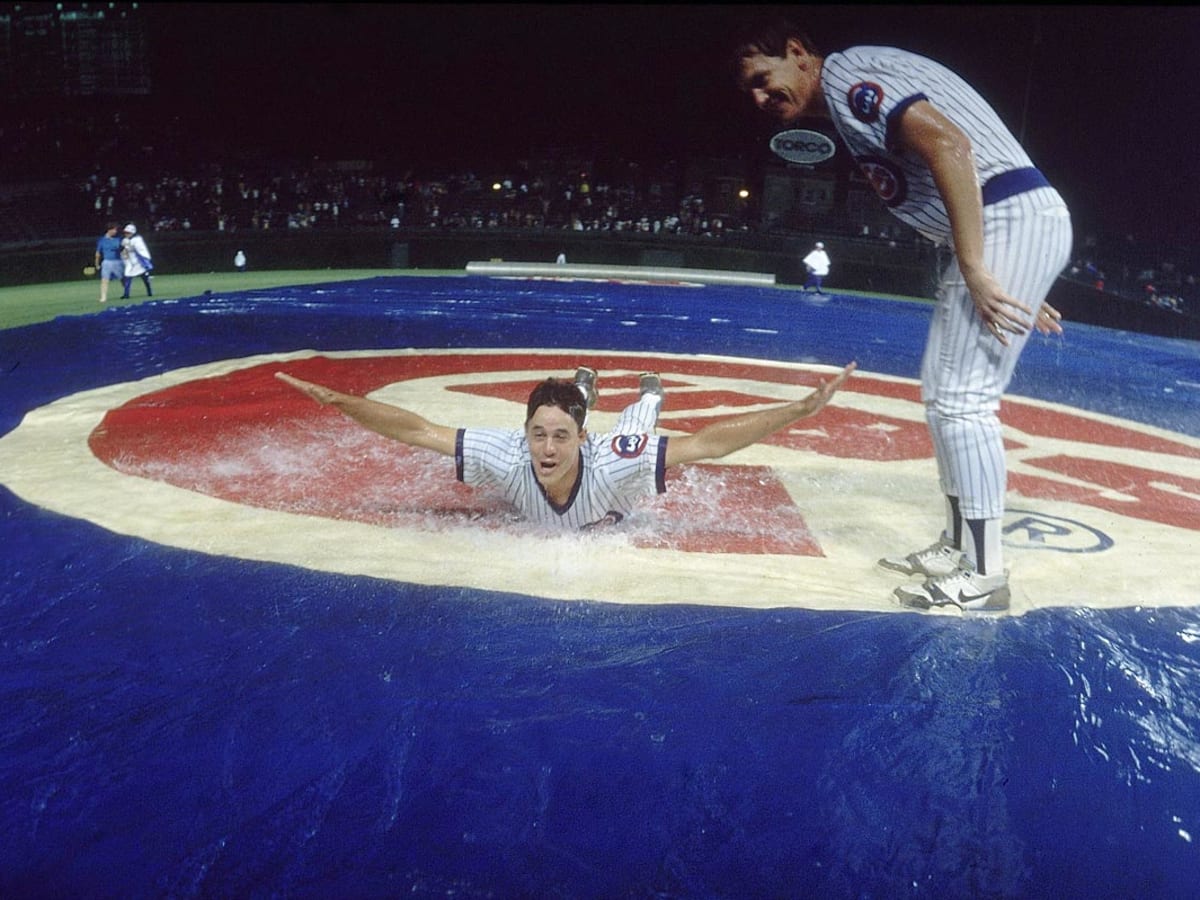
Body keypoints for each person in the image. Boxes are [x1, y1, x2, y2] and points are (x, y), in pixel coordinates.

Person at [732, 19, 1073, 612]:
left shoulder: (845, 79)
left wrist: (976, 263)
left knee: (965, 399)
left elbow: (950, 145)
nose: (761, 98)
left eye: (764, 78)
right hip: (1004, 227)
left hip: (1005, 219)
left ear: (797, 53)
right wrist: (1014, 265)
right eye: (751, 92)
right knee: (943, 394)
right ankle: (959, 545)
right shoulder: (845, 89)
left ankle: (987, 574)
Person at [275, 361, 855, 531]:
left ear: (582, 439)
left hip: (617, 476)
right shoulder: (506, 452)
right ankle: (581, 389)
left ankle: (648, 391)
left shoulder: (612, 460)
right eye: (538, 434)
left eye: (560, 436)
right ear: (523, 434)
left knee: (642, 421)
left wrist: (800, 409)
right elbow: (415, 430)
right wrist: (336, 399)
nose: (547, 448)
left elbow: (706, 444)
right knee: (567, 405)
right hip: (583, 441)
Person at [119, 223, 153, 299]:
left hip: (139, 262)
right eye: (125, 232)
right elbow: (124, 249)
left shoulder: (138, 239)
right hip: (130, 262)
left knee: (144, 277)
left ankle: (149, 291)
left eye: (128, 233)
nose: (126, 234)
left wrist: (129, 246)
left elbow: (139, 250)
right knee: (127, 276)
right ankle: (126, 294)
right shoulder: (125, 240)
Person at [94, 222, 124, 304]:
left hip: (118, 261)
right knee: (104, 280)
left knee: (122, 279)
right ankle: (103, 297)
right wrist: (97, 264)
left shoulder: (118, 239)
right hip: (107, 262)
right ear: (109, 230)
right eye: (114, 230)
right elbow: (98, 253)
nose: (115, 231)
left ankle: (126, 292)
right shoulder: (102, 240)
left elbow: (123, 250)